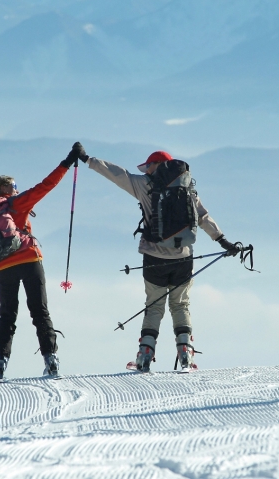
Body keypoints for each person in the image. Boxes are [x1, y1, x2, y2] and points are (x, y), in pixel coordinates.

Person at [83, 149, 239, 372]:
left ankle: (145, 354)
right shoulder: (187, 189)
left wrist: (89, 160)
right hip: (184, 258)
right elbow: (203, 217)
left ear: (156, 165)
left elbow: (117, 174)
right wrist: (223, 241)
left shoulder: (144, 185)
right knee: (180, 304)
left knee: (154, 307)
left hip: (153, 258)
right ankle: (185, 352)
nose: (146, 170)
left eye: (148, 166)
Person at [0, 142, 86, 380]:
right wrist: (68, 161)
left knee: (7, 314)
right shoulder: (16, 204)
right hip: (29, 260)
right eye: (13, 186)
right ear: (4, 190)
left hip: (4, 265)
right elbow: (46, 185)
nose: (16, 189)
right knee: (40, 311)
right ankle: (51, 360)